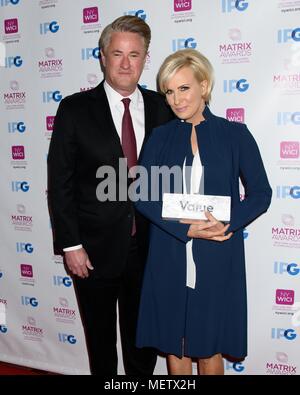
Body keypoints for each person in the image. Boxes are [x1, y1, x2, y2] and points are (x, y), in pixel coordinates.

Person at [47, 15, 173, 375]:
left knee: (143, 343)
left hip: (151, 249)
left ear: (145, 59)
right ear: (102, 56)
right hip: (93, 251)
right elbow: (61, 182)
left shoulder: (164, 107)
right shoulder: (74, 108)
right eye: (117, 53)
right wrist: (70, 245)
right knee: (101, 345)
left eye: (134, 54)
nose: (125, 63)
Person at [135, 49, 272, 375]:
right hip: (169, 252)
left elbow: (261, 194)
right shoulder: (160, 136)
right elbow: (141, 194)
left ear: (204, 85)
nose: (176, 99)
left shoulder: (234, 134)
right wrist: (186, 230)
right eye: (169, 91)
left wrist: (228, 223)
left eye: (183, 88)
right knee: (175, 347)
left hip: (216, 253)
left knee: (210, 349)